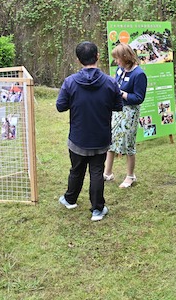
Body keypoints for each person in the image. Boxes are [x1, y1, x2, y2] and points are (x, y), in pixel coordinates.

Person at [56, 41, 123, 221]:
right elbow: (118, 106)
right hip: (101, 137)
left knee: (76, 170)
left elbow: (60, 106)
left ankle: (70, 199)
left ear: (78, 60)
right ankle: (97, 209)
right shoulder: (110, 82)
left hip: (78, 138)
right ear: (98, 56)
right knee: (96, 172)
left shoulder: (70, 82)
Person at [103, 43, 148, 188]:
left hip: (130, 113)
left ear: (125, 57)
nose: (116, 62)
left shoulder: (139, 74)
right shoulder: (120, 70)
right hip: (117, 111)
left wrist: (122, 94)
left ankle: (130, 176)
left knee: (128, 144)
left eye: (117, 58)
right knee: (111, 140)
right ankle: (107, 173)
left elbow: (139, 98)